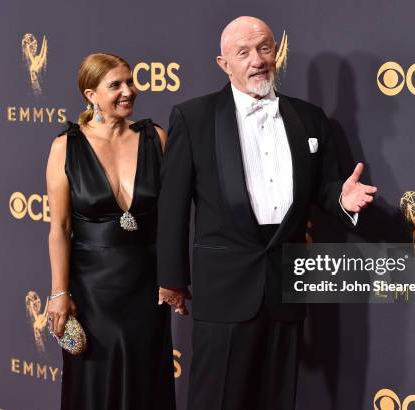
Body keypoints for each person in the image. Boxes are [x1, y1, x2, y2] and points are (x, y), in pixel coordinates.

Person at [156, 17, 377, 410]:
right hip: (223, 291)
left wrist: (342, 201)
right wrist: (172, 279)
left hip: (284, 287)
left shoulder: (309, 117)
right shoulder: (194, 118)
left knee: (276, 398)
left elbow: (324, 191)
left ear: (277, 51)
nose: (257, 60)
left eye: (264, 48)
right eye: (243, 53)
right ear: (224, 64)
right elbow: (172, 206)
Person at [46, 53, 175, 410]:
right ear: (91, 94)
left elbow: (173, 217)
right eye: (115, 85)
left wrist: (173, 275)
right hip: (92, 289)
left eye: (131, 82)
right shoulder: (66, 147)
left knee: (146, 379)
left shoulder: (155, 138)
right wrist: (59, 292)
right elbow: (59, 226)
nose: (128, 91)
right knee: (96, 382)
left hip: (147, 284)